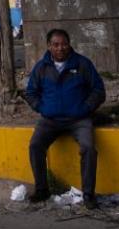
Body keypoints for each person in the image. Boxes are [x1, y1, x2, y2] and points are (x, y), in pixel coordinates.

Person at [22, 28, 106, 209]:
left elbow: (98, 91)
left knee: (88, 148)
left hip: (79, 120)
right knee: (35, 146)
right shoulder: (42, 67)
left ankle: (88, 194)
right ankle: (42, 190)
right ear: (49, 46)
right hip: (50, 120)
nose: (60, 48)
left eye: (64, 44)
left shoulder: (82, 64)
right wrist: (42, 107)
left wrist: (85, 108)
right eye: (56, 45)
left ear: (70, 45)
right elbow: (30, 93)